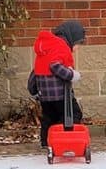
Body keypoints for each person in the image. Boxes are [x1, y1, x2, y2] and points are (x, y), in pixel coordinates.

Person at [28, 20, 85, 149]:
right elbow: (55, 65)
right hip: (60, 93)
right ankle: (65, 140)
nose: (77, 48)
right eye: (78, 44)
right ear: (72, 37)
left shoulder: (47, 48)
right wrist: (72, 75)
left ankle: (46, 142)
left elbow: (35, 71)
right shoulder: (60, 46)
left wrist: (34, 90)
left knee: (49, 118)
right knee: (73, 114)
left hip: (45, 95)